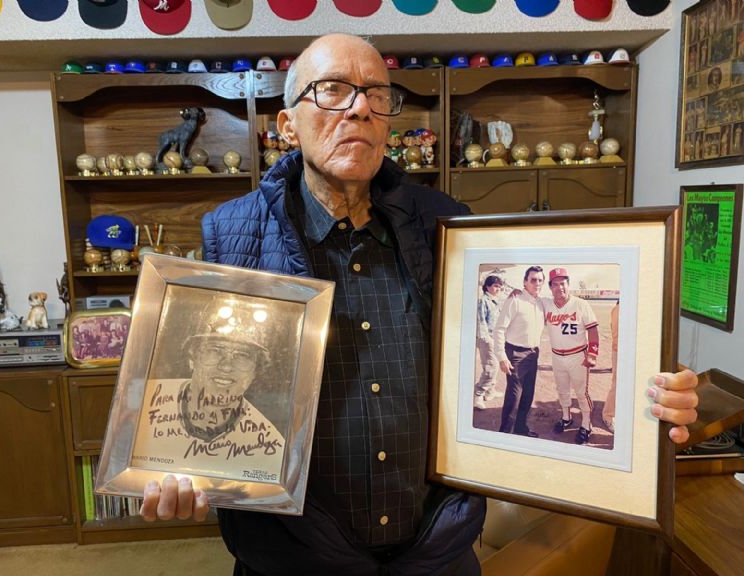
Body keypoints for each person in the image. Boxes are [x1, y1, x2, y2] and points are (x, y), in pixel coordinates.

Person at [139, 34, 700, 575]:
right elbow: (208, 377)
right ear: (287, 125)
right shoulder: (233, 233)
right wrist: (179, 466)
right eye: (332, 90)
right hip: (293, 556)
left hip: (435, 552)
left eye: (376, 94)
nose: (359, 108)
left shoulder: (447, 225)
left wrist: (646, 392)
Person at [130, 298, 285, 482]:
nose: (226, 366)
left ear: (255, 372)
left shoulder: (270, 446)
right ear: (192, 358)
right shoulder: (142, 403)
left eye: (242, 356)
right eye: (214, 351)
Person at [542, 268, 600, 444]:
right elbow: (530, 298)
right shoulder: (546, 304)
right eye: (555, 284)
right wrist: (517, 292)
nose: (560, 287)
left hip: (577, 356)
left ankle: (586, 424)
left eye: (563, 283)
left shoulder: (581, 304)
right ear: (550, 287)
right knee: (562, 389)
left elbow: (593, 330)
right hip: (557, 356)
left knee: (582, 392)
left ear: (568, 284)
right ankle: (566, 418)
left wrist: (592, 354)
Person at [493, 266, 545, 437]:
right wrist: (501, 356)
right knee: (514, 397)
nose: (537, 283)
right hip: (515, 354)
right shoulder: (515, 300)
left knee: (528, 394)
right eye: (533, 280)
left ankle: (520, 428)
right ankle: (504, 435)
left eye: (540, 280)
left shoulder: (541, 303)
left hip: (533, 354)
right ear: (525, 282)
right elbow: (499, 329)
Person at [474, 274, 503, 410]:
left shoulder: (495, 300)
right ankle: (478, 395)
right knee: (491, 368)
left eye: (500, 286)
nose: (498, 289)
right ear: (487, 286)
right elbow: (480, 320)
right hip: (487, 339)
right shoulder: (483, 300)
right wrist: (486, 338)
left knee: (495, 365)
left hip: (496, 338)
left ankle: (490, 391)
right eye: (496, 286)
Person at [602, 300, 619, 434]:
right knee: (617, 384)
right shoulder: (619, 309)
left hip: (626, 351)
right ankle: (608, 415)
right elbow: (618, 336)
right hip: (621, 351)